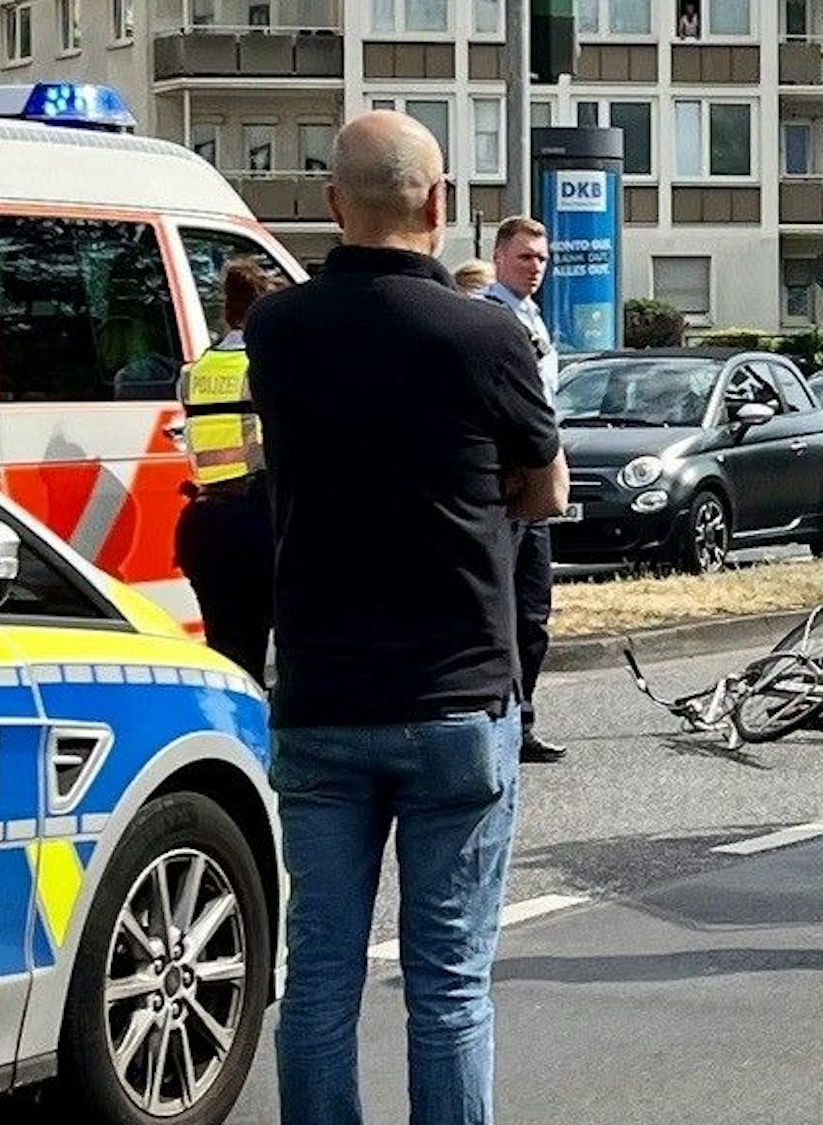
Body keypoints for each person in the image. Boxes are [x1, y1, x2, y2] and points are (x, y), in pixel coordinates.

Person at [245, 109, 567, 1125]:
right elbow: (546, 493)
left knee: (320, 980)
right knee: (449, 988)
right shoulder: (484, 331)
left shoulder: (276, 329)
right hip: (454, 699)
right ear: (439, 204)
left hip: (322, 697)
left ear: (332, 204)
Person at [479, 215, 568, 765]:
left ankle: (523, 719)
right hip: (504, 487)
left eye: (541, 259)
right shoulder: (490, 318)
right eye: (524, 258)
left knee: (533, 615)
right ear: (498, 258)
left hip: (534, 487)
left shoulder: (532, 318)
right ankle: (499, 724)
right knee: (500, 613)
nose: (534, 268)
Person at [173, 257, 283, 681]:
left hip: (206, 521)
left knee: (231, 657)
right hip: (259, 519)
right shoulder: (266, 368)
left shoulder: (195, 371)